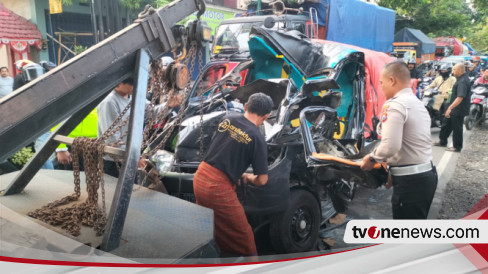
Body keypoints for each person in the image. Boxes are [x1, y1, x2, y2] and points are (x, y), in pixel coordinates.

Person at [193, 93, 273, 258]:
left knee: (211, 226)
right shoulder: (257, 138)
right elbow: (263, 180)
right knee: (243, 237)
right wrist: (248, 177)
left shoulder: (229, 119)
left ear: (245, 106)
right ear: (266, 117)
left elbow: (223, 148)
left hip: (200, 176)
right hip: (216, 188)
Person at [360, 61, 437, 219]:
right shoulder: (416, 103)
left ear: (392, 80)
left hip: (411, 182)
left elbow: (391, 144)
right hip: (425, 176)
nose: (381, 87)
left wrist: (372, 157)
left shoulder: (395, 105)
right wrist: (390, 173)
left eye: (381, 83)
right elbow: (408, 143)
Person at [97, 78, 165, 177]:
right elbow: (112, 139)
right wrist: (133, 158)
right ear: (119, 84)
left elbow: (151, 112)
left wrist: (169, 105)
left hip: (131, 157)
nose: (135, 87)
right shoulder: (109, 102)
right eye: (132, 85)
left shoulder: (134, 97)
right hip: (115, 162)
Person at [434, 63, 471, 152]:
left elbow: (460, 97)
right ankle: (443, 141)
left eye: (454, 70)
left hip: (458, 109)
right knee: (446, 124)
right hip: (453, 107)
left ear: (460, 70)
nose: (453, 72)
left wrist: (450, 108)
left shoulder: (462, 81)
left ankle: (457, 147)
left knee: (457, 128)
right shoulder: (460, 79)